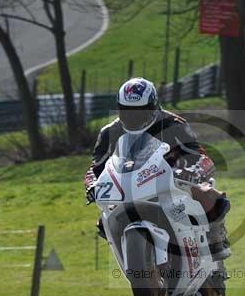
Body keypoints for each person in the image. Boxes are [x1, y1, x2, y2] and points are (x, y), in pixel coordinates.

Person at [84, 77, 231, 260]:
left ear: (154, 107)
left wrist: (195, 171)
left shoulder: (173, 123)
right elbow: (95, 167)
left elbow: (199, 155)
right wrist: (92, 185)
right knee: (103, 222)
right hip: (129, 185)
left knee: (210, 195)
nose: (133, 118)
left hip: (172, 179)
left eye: (140, 112)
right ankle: (132, 255)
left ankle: (216, 235)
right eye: (127, 112)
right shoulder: (109, 132)